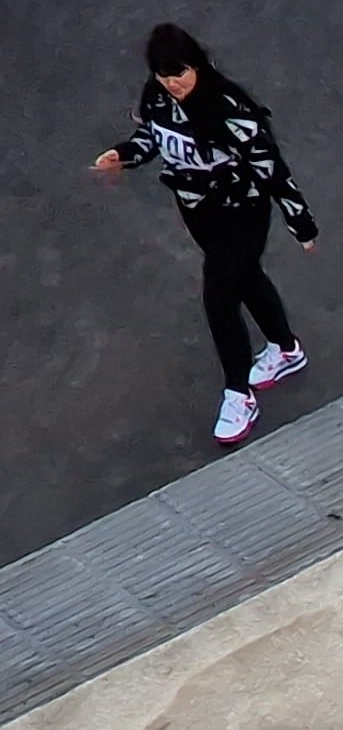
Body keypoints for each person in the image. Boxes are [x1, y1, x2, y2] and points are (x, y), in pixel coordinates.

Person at [92, 23, 317, 448]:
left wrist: (300, 222)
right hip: (200, 212)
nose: (172, 83)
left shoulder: (229, 108)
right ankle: (286, 350)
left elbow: (272, 168)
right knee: (246, 278)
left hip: (243, 210)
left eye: (179, 73)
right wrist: (123, 154)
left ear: (196, 65)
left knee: (219, 296)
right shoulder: (157, 95)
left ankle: (238, 393)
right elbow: (151, 138)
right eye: (163, 75)